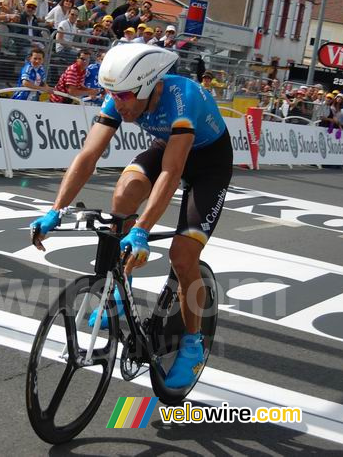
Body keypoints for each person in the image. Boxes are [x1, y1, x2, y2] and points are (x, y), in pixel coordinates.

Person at [30, 44, 232, 389]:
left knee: (183, 257)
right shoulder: (122, 95)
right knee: (124, 192)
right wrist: (56, 208)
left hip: (208, 165)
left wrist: (142, 229)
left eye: (123, 96)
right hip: (166, 147)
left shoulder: (183, 100)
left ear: (149, 86)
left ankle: (193, 345)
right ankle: (121, 295)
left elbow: (172, 171)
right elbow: (88, 155)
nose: (116, 102)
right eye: (111, 94)